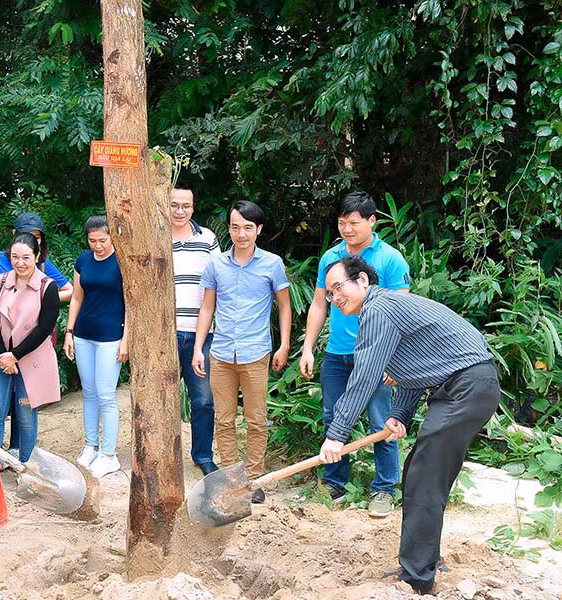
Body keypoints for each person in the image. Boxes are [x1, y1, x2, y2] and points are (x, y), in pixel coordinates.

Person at [318, 256, 499, 595]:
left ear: (362, 281)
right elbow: (417, 367)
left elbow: (365, 376)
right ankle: (423, 560)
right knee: (421, 471)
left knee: (424, 477)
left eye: (339, 287)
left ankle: (417, 577)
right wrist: (399, 414)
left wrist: (337, 435)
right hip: (462, 387)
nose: (335, 297)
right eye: (329, 293)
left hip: (466, 386)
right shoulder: (389, 309)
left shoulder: (378, 310)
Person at [298, 191, 410, 517]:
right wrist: (308, 347)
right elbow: (320, 304)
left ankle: (385, 489)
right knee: (334, 418)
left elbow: (401, 311)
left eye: (354, 223)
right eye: (342, 222)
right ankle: (334, 483)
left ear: (372, 221)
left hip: (378, 355)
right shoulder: (330, 259)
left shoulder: (390, 259)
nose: (347, 229)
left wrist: (396, 360)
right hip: (337, 353)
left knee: (382, 422)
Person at [192, 200, 291, 502]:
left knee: (256, 419)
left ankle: (254, 478)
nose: (241, 234)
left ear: (258, 229)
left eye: (248, 227)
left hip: (256, 352)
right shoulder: (216, 264)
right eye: (235, 227)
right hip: (220, 352)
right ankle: (231, 480)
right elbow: (207, 307)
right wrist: (198, 348)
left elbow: (284, 306)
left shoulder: (272, 264)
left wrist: (285, 345)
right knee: (223, 420)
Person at [0, 211, 72, 460]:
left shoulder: (48, 286)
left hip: (31, 357)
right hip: (0, 358)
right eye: (15, 257)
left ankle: (27, 467)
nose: (20, 263)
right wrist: (3, 355)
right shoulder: (0, 282)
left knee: (26, 414)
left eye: (26, 258)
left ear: (36, 257)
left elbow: (44, 328)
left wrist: (15, 356)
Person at [63, 215, 128, 478]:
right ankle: (91, 445)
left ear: (112, 237)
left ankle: (109, 454)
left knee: (106, 394)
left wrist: (127, 339)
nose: (97, 246)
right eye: (93, 241)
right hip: (84, 333)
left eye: (102, 240)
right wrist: (69, 332)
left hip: (111, 336)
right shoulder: (83, 261)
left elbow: (132, 303)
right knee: (88, 392)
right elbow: (77, 297)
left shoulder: (122, 262)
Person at [170, 182, 221, 476]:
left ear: (193, 206)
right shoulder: (156, 236)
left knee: (203, 398)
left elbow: (218, 282)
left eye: (185, 206)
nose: (180, 211)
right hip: (163, 333)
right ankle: (163, 454)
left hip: (201, 333)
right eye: (174, 205)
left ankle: (202, 454)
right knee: (161, 399)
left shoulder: (208, 239)